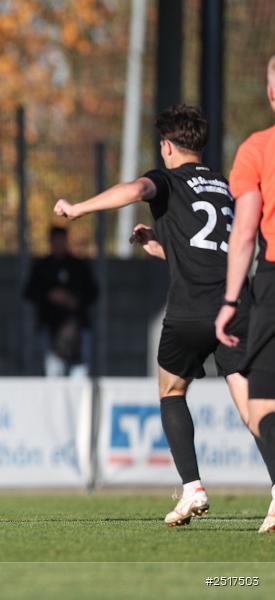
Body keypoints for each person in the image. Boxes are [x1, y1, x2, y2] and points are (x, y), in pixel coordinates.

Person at [54, 104, 275, 528]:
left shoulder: (167, 179)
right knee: (253, 410)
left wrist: (78, 208)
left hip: (190, 311)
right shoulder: (225, 186)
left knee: (172, 391)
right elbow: (207, 250)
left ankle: (192, 488)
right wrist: (158, 244)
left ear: (167, 147)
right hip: (237, 305)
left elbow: (135, 190)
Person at [214, 54, 275, 533]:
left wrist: (232, 300)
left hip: (272, 279)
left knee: (261, 401)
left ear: (271, 93)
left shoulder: (257, 150)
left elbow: (245, 232)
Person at [24, 226, 98, 377]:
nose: (58, 245)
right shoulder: (42, 267)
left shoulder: (79, 266)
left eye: (61, 241)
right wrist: (50, 295)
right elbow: (29, 292)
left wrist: (74, 300)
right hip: (50, 329)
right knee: (53, 373)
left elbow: (93, 292)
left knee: (80, 373)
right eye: (55, 241)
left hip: (77, 328)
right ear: (50, 242)